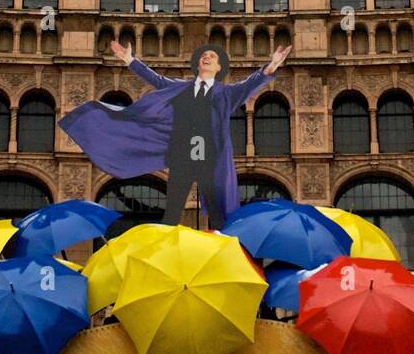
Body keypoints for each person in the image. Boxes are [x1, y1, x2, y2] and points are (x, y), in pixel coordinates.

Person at [58, 39, 291, 229]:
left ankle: (226, 250)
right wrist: (130, 60)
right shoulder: (181, 87)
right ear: (198, 65)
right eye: (204, 56)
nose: (207, 57)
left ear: (219, 68)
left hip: (209, 158)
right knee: (172, 211)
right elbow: (156, 80)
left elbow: (250, 84)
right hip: (182, 153)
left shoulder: (227, 94)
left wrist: (271, 66)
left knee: (217, 213)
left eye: (212, 57)